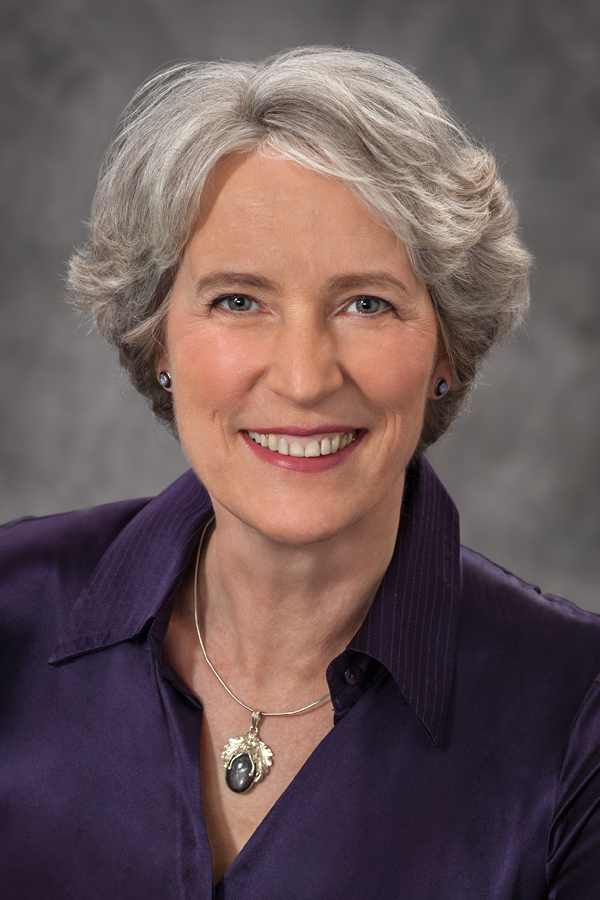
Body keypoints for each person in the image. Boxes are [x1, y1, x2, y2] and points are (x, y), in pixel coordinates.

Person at [1, 46, 599, 899]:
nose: (305, 377)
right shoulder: (10, 609)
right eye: (239, 300)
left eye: (367, 303)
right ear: (157, 338)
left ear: (446, 350)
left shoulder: (578, 714)